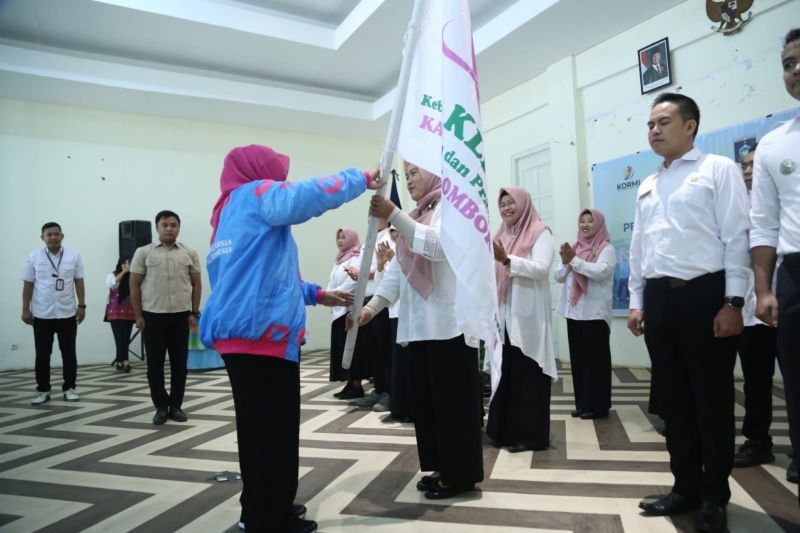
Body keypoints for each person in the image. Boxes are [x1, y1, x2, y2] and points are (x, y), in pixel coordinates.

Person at [200, 144, 383, 532]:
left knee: (260, 432)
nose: (279, 182)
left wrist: (316, 294)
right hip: (262, 339)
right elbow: (304, 197)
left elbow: (260, 281)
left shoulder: (227, 214)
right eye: (274, 174)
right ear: (256, 172)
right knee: (272, 433)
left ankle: (267, 506)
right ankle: (268, 518)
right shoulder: (254, 195)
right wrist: (362, 179)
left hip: (246, 337)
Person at [627, 93, 749, 532]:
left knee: (711, 400)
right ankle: (684, 487)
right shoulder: (647, 184)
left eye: (663, 122)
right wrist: (638, 300)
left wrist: (733, 302)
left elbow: (737, 237)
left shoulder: (717, 170)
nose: (653, 131)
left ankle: (715, 493)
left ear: (690, 126)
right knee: (673, 402)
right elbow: (640, 248)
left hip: (706, 296)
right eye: (649, 124)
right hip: (660, 302)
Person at [352, 162, 484, 500]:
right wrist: (371, 308)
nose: (409, 180)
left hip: (449, 325)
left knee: (453, 405)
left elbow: (438, 248)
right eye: (407, 174)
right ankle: (441, 467)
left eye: (415, 173)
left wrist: (394, 215)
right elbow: (397, 271)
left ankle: (460, 476)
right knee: (429, 405)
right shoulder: (418, 214)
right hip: (421, 327)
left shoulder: (452, 207)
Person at [750, 27, 800, 488]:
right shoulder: (774, 144)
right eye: (788, 63)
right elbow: (764, 225)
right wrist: (764, 289)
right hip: (793, 273)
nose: (795, 69)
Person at [486, 187, 557, 452]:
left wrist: (507, 259)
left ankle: (531, 436)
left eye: (511, 203)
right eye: (502, 204)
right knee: (507, 374)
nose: (506, 209)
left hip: (529, 318)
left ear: (524, 204)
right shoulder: (500, 235)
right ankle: (503, 432)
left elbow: (541, 269)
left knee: (528, 375)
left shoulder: (541, 232)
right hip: (504, 315)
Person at [733, 145, 780, 469]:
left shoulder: (786, 201)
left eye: (754, 164)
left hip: (788, 302)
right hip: (752, 312)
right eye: (745, 165)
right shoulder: (738, 209)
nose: (749, 170)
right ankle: (757, 441)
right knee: (756, 381)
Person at [130, 210, 201, 426]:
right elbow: (134, 284)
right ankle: (161, 406)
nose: (169, 228)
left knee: (180, 364)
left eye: (173, 225)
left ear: (179, 227)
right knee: (155, 365)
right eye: (165, 225)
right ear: (157, 227)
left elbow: (197, 284)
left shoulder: (189, 252)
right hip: (153, 317)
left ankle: (176, 406)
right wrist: (138, 315)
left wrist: (194, 312)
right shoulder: (144, 253)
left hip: (181, 316)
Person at [555, 209, 616, 420]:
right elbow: (558, 276)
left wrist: (574, 261)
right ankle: (582, 403)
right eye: (582, 221)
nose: (586, 225)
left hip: (594, 314)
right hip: (574, 313)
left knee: (596, 362)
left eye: (590, 221)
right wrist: (565, 261)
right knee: (579, 361)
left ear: (599, 224)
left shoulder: (606, 248)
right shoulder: (574, 248)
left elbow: (600, 272)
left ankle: (599, 406)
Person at [21, 222, 86, 405]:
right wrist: (25, 309)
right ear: (43, 237)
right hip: (42, 314)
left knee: (69, 353)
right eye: (49, 235)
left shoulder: (74, 255)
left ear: (62, 236)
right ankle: (43, 390)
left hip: (67, 313)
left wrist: (82, 306)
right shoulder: (33, 257)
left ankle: (70, 388)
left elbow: (79, 282)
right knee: (42, 354)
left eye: (56, 234)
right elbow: (28, 284)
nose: (53, 237)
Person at [326, 227, 369, 400]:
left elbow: (352, 283)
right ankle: (348, 383)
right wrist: (329, 295)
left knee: (353, 347)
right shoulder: (338, 261)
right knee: (342, 347)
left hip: (349, 308)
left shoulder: (357, 258)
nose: (341, 240)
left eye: (344, 237)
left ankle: (356, 384)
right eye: (339, 237)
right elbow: (331, 282)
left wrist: (336, 295)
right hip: (338, 309)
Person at [105, 257, 135, 372]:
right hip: (115, 312)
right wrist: (124, 272)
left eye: (129, 264)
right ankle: (123, 360)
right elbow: (112, 284)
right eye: (125, 263)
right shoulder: (113, 274)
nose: (127, 266)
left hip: (130, 312)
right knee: (119, 338)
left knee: (126, 338)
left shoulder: (133, 276)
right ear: (120, 264)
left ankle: (121, 360)